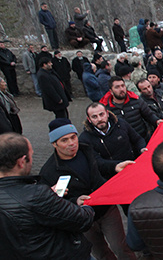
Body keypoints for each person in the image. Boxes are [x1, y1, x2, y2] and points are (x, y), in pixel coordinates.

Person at [39, 119, 137, 260]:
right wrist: (75, 201)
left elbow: (100, 164)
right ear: (55, 144)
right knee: (100, 253)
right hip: (82, 219)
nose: (72, 143)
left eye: (73, 137)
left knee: (120, 247)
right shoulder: (48, 172)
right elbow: (51, 203)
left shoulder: (86, 149)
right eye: (64, 140)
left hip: (106, 209)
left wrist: (115, 166)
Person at [0, 132, 94, 258]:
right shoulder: (38, 195)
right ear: (21, 162)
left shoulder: (37, 195)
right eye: (31, 155)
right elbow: (83, 219)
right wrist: (86, 208)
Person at [80, 102, 147, 179]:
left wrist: (142, 148)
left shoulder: (121, 124)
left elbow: (137, 139)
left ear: (107, 114)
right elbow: (96, 161)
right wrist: (115, 166)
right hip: (110, 177)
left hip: (132, 167)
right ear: (89, 119)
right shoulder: (85, 139)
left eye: (102, 114)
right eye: (94, 117)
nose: (99, 119)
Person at [100, 76, 162, 141]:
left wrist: (156, 121)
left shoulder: (136, 100)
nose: (121, 89)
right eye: (117, 87)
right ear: (111, 91)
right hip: (123, 143)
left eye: (123, 86)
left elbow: (149, 115)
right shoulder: (106, 108)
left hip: (142, 138)